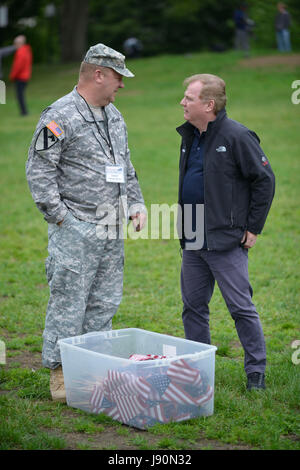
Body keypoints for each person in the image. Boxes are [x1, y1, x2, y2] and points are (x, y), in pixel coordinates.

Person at [26, 43, 147, 401]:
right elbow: (39, 170)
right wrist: (61, 218)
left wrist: (136, 204)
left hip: (112, 227)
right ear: (98, 74)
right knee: (68, 301)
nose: (121, 85)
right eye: (117, 78)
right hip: (75, 227)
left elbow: (126, 166)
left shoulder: (115, 116)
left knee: (104, 303)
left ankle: (93, 369)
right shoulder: (59, 115)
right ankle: (60, 372)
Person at [176, 74, 275, 391]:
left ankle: (255, 372)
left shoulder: (237, 136)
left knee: (240, 308)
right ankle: (198, 369)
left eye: (189, 98)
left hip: (226, 238)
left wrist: (253, 227)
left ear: (209, 104)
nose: (183, 103)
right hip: (192, 235)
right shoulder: (190, 135)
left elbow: (265, 180)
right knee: (193, 307)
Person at [9, 35, 32, 115]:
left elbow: (18, 66)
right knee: (20, 94)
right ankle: (24, 111)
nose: (15, 45)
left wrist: (12, 76)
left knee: (20, 95)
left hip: (20, 76)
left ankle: (24, 112)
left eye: (15, 43)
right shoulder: (26, 50)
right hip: (25, 76)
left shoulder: (21, 51)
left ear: (19, 43)